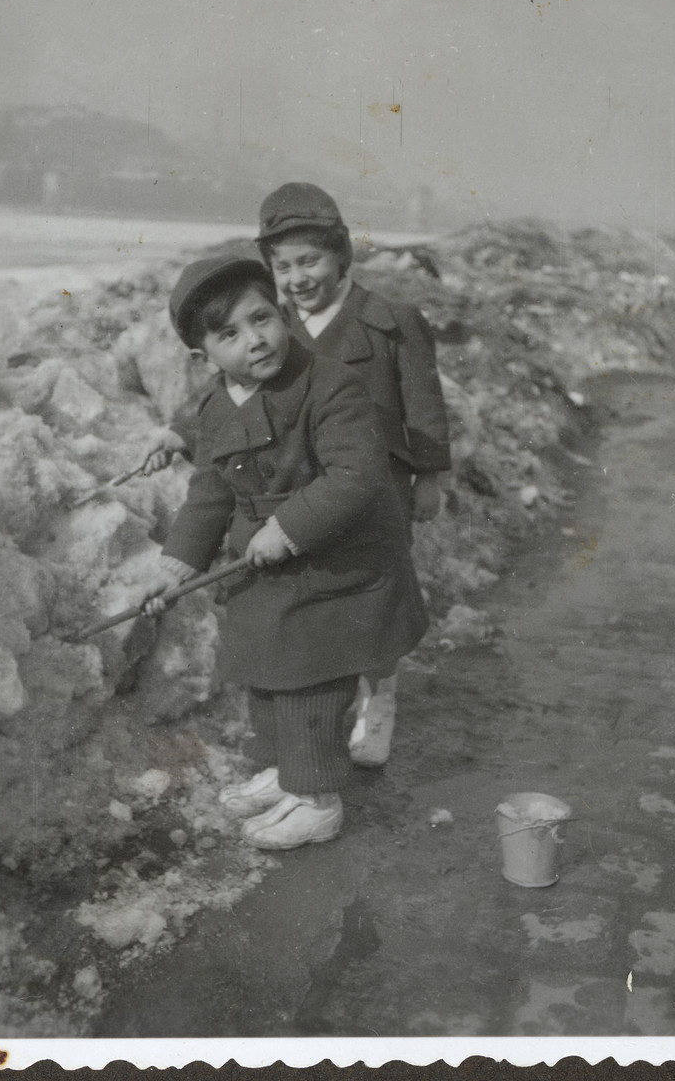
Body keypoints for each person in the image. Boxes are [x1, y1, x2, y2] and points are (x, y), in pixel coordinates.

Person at [140, 248, 427, 850]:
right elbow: (211, 494)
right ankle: (285, 772)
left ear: (282, 313)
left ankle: (317, 798)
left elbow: (356, 473)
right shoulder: (219, 406)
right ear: (204, 356)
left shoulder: (329, 383)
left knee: (309, 679)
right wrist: (176, 566)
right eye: (230, 333)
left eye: (263, 318)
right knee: (265, 673)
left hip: (333, 561)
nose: (256, 340)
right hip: (267, 563)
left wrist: (291, 526)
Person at [255, 182, 451, 766]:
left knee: (373, 603)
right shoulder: (277, 331)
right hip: (305, 495)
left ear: (341, 254)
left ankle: (379, 699)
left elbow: (424, 406)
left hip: (377, 492)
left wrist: (431, 477)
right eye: (283, 266)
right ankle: (324, 708)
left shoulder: (391, 323)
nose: (298, 278)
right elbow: (239, 393)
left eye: (310, 260)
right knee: (316, 602)